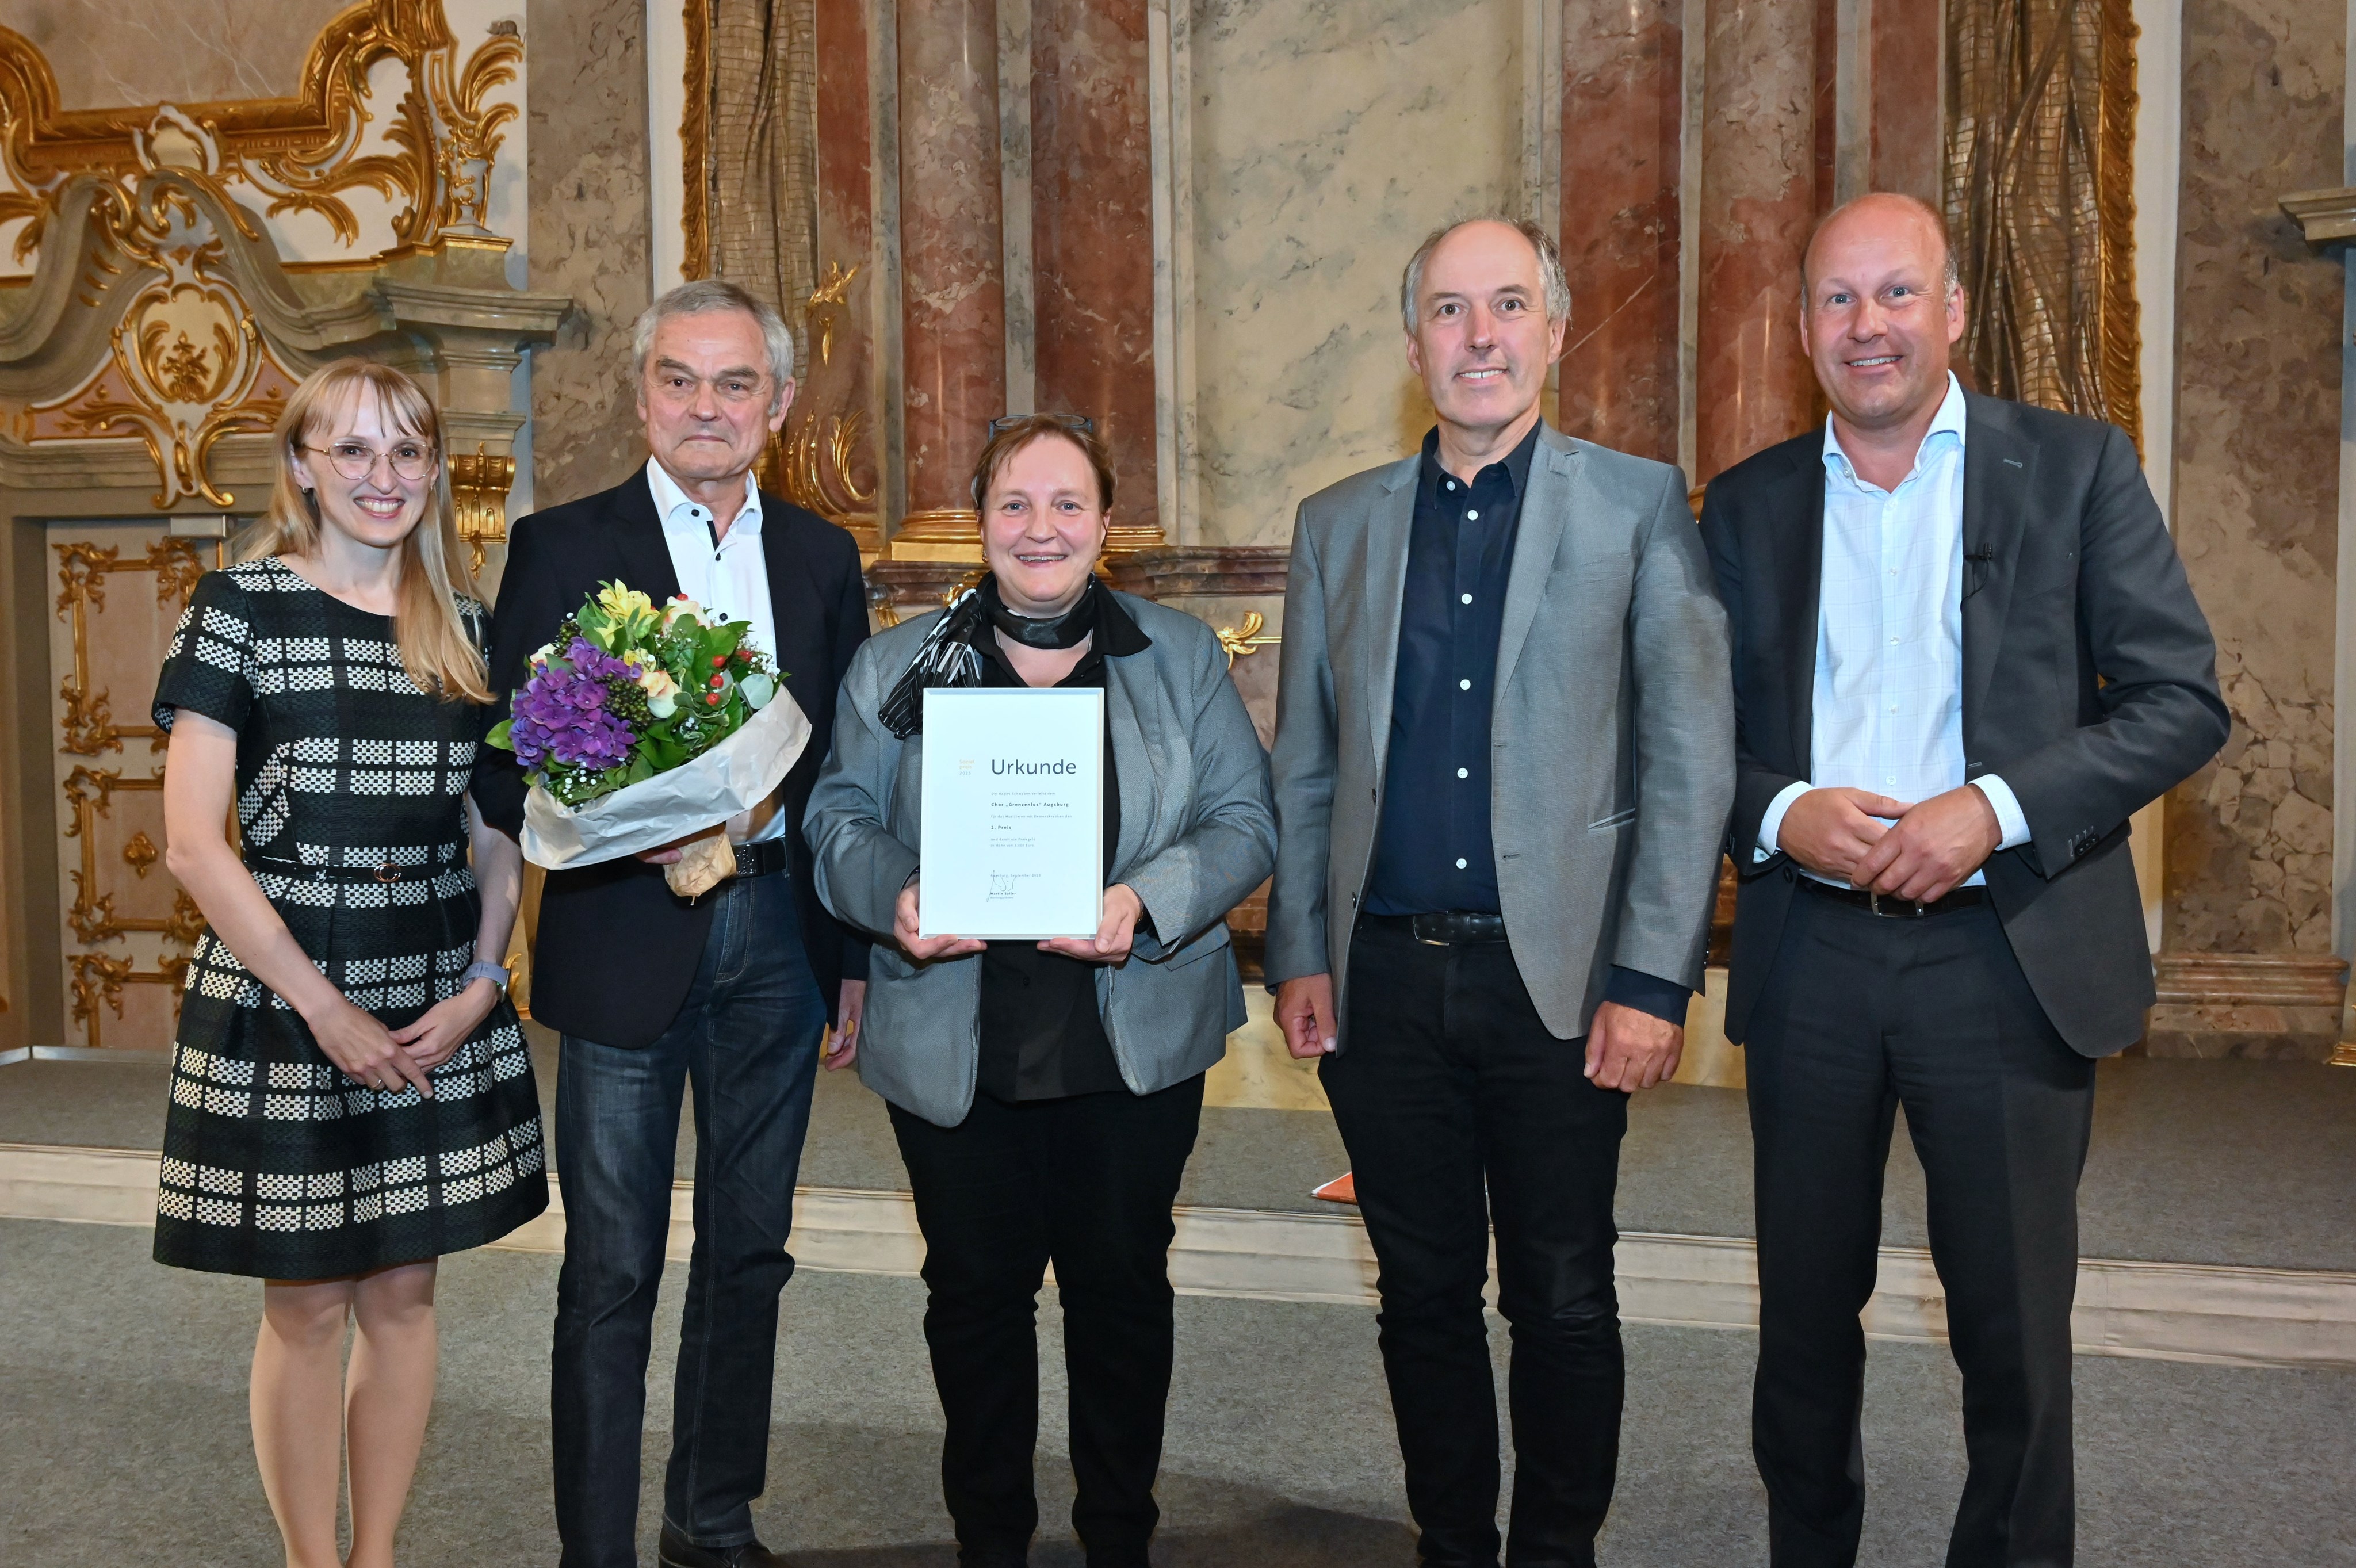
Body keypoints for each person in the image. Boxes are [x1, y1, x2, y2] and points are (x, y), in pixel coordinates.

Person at [1699, 192, 2228, 1568]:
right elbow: (1686, 737)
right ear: (1801, 327)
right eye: (1834, 299)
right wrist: (1778, 810)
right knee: (1801, 1323)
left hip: (2005, 953)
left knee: (2009, 1326)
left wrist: (1985, 812)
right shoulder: (1745, 504)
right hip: (1808, 955)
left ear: (1948, 311)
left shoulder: (2071, 468)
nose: (1864, 326)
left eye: (1893, 294)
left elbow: (2176, 699)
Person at [1265, 216, 1734, 1567]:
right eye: (1452, 312)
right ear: (1413, 346)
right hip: (1383, 979)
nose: (1481, 337)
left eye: (1508, 306)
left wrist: (1652, 977)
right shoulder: (1335, 523)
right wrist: (1300, 950)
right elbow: (1305, 761)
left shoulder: (1637, 504)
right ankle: (1451, 1541)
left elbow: (1686, 759)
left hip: (1566, 981)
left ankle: (1556, 1549)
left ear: (1554, 328)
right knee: (1418, 1295)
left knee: (1563, 1295)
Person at [805, 414, 1275, 1568]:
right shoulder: (896, 663)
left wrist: (1147, 897)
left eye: (1067, 504)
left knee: (1120, 1296)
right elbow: (833, 820)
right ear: (979, 525)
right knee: (972, 1299)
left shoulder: (1179, 656)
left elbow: (1245, 822)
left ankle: (1118, 1532)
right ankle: (990, 1540)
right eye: (1014, 504)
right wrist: (895, 891)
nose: (1040, 528)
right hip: (954, 1031)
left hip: (1131, 1036)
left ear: (1105, 526)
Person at [473, 279, 871, 1568]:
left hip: (778, 945)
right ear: (641, 395)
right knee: (611, 1271)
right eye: (681, 381)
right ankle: (595, 1548)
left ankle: (710, 1518)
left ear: (780, 405)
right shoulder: (557, 547)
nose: (707, 407)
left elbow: (850, 778)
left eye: (735, 382)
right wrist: (600, 809)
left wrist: (849, 957)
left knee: (751, 1250)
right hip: (623, 939)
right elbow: (498, 768)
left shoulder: (821, 557)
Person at [153, 359, 547, 1568]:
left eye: (409, 452)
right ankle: (310, 1561)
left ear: (434, 469)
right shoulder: (239, 607)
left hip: (434, 984)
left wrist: (486, 980)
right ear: (305, 467)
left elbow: (495, 835)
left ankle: (377, 1553)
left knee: (406, 1292)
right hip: (286, 987)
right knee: (310, 1299)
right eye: (357, 451)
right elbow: (189, 843)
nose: (386, 477)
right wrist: (321, 1005)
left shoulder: (467, 625)